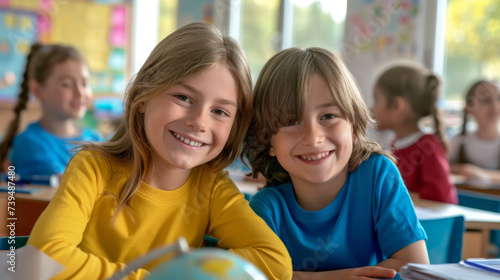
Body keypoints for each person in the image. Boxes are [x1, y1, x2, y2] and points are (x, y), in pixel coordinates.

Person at [27, 23, 292, 279]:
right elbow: (44, 259)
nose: (199, 122)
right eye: (183, 98)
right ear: (143, 95)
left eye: (219, 112)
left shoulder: (212, 189)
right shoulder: (93, 168)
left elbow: (275, 261)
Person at [243, 47, 428, 280]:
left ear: (353, 125)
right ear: (267, 139)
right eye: (291, 121)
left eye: (328, 116)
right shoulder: (267, 210)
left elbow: (415, 265)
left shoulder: (377, 176)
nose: (313, 137)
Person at [0, 43, 102, 178]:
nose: (80, 92)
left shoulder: (95, 140)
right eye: (67, 84)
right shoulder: (29, 143)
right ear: (37, 90)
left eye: (84, 83)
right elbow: (65, 186)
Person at [372, 63, 458, 204]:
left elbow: (441, 197)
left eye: (376, 100)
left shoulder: (428, 145)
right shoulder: (394, 144)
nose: (371, 108)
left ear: (397, 106)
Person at [449, 80, 500, 183]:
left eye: (499, 99)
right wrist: (463, 169)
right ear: (469, 107)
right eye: (486, 100)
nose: (495, 105)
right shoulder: (458, 141)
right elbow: (442, 166)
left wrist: (484, 175)